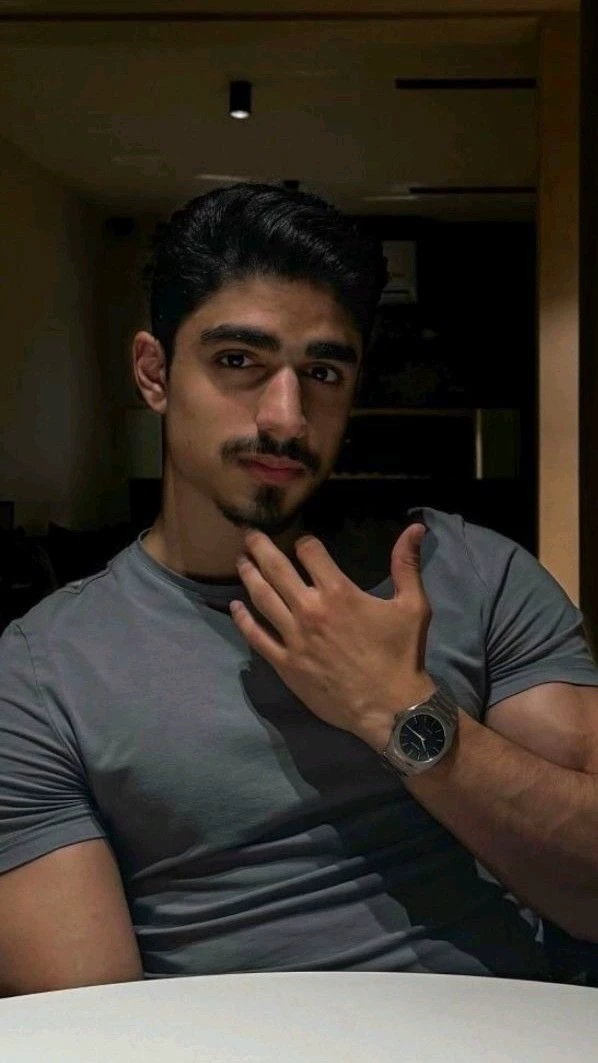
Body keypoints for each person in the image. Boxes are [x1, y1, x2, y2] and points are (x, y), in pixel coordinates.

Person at [1, 184, 597, 998]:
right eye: (237, 361)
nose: (286, 416)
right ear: (154, 372)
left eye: (321, 371)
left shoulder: (471, 572)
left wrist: (397, 709)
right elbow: (85, 1018)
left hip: (501, 1030)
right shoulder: (43, 668)